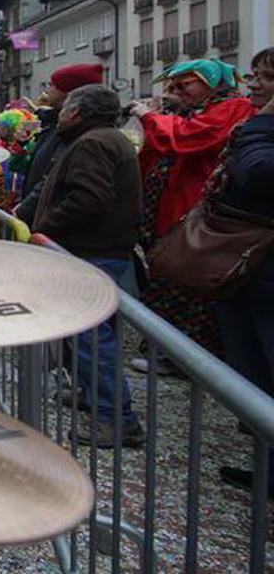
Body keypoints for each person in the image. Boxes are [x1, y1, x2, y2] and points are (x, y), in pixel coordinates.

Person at [33, 85, 145, 448]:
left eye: (65, 108)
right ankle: (94, 397)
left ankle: (115, 417)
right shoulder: (103, 138)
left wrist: (46, 223)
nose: (61, 112)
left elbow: (89, 199)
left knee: (91, 339)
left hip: (91, 251)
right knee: (91, 335)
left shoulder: (93, 143)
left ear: (76, 113)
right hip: (98, 249)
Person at [131, 59, 255, 358]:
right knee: (166, 280)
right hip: (171, 212)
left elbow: (186, 138)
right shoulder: (193, 110)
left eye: (184, 85)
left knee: (187, 288)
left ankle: (181, 358)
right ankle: (166, 351)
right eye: (172, 86)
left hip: (193, 216)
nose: (176, 91)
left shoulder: (233, 108)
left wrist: (151, 117)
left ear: (210, 83)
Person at [211, 47, 274, 494]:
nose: (253, 85)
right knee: (256, 381)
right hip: (252, 268)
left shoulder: (260, 130)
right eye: (253, 76)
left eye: (265, 78)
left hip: (264, 268)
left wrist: (260, 126)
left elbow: (257, 175)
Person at [15, 63, 105, 224]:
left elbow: (53, 175)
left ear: (71, 93)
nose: (47, 88)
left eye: (53, 84)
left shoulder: (76, 133)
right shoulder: (55, 123)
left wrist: (29, 211)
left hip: (51, 224)